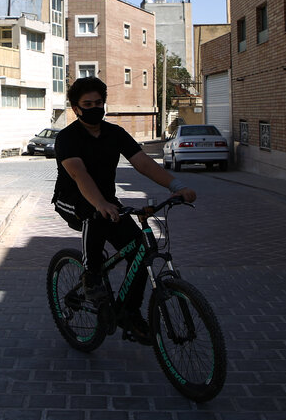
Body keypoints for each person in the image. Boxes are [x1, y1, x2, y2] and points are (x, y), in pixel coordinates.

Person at [52, 77, 196, 345]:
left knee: (140, 249)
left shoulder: (114, 133)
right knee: (93, 214)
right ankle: (90, 276)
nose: (94, 108)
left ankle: (129, 313)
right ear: (75, 108)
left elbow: (144, 164)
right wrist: (101, 204)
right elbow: (79, 174)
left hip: (106, 200)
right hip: (71, 199)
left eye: (98, 103)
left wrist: (176, 186)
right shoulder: (68, 138)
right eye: (87, 104)